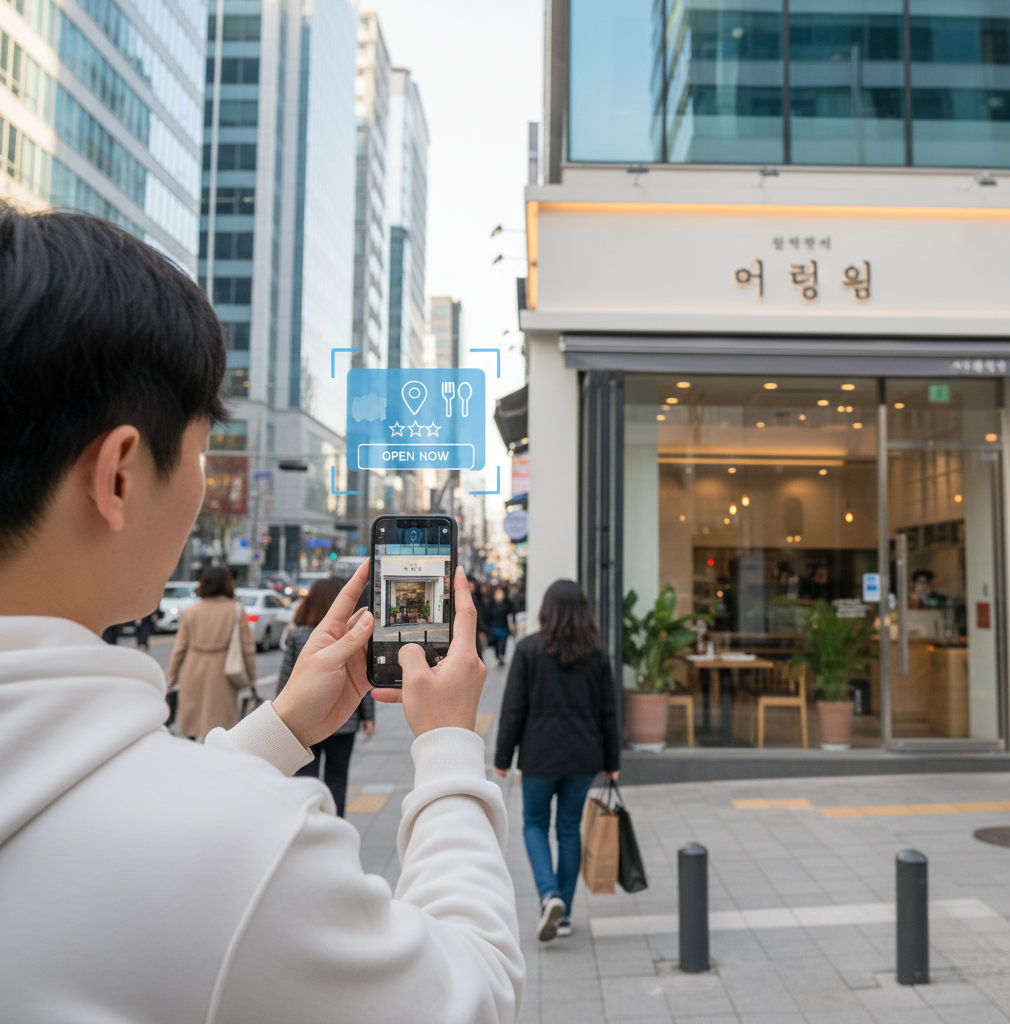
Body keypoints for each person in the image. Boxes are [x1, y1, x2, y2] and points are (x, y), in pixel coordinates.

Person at [0, 205, 523, 1022]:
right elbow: (473, 994)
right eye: (205, 451)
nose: (206, 480)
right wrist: (453, 748)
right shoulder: (244, 855)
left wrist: (274, 731)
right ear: (120, 475)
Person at [494, 579, 620, 942]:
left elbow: (513, 708)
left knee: (534, 825)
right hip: (583, 757)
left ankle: (548, 896)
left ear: (546, 610)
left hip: (538, 756)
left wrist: (503, 757)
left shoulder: (530, 649)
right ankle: (563, 913)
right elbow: (608, 712)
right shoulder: (595, 652)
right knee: (568, 830)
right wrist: (612, 760)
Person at [278, 577, 374, 816]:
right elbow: (363, 679)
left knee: (305, 777)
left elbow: (286, 677)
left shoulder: (299, 634)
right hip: (346, 721)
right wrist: (368, 716)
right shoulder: (349, 634)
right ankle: (335, 825)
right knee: (338, 778)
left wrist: (279, 714)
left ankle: (307, 823)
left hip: (304, 716)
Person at [166, 566, 257, 739]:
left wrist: (172, 676)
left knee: (191, 724)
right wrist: (252, 678)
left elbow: (179, 648)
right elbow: (248, 648)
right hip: (223, 672)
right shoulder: (236, 610)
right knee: (220, 728)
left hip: (193, 669)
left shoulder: (192, 611)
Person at [487, 585, 515, 666]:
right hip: (494, 627)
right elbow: (487, 615)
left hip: (504, 627)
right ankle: (498, 655)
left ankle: (501, 655)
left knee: (503, 642)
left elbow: (511, 614)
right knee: (496, 643)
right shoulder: (491, 604)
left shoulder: (507, 604)